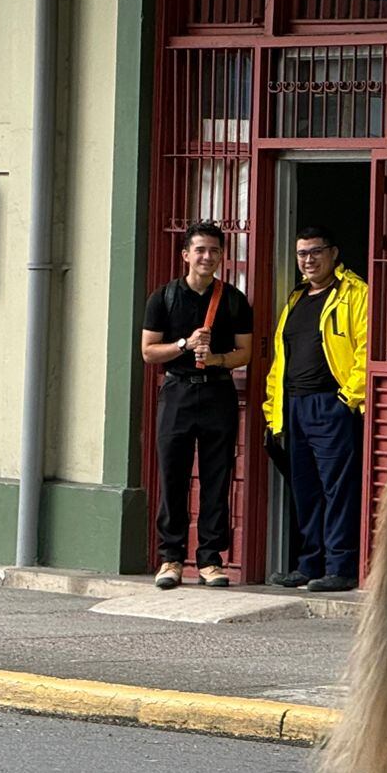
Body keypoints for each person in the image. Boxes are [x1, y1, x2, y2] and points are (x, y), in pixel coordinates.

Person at [140, 222, 254, 589]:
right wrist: (185, 345)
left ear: (223, 256)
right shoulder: (164, 297)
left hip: (218, 393)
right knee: (172, 475)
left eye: (215, 251)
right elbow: (148, 352)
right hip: (177, 392)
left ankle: (210, 560)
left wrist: (218, 359)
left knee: (217, 476)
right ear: (186, 255)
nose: (207, 257)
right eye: (200, 250)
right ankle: (171, 559)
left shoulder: (234, 299)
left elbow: (246, 352)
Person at [262, 225, 369, 593]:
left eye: (315, 252)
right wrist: (273, 411)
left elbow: (365, 352)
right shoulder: (295, 300)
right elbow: (280, 361)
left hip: (330, 404)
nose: (308, 260)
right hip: (294, 406)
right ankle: (309, 564)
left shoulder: (354, 294)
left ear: (333, 253)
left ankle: (341, 566)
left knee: (337, 488)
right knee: (305, 489)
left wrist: (346, 400)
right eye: (302, 254)